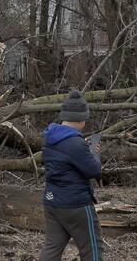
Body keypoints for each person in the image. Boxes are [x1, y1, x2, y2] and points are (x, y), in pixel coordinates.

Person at [39, 89, 104, 261]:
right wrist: (95, 154)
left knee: (52, 247)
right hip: (76, 204)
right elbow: (93, 170)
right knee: (93, 248)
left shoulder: (50, 138)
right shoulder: (76, 143)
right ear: (81, 119)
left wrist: (86, 152)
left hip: (52, 200)